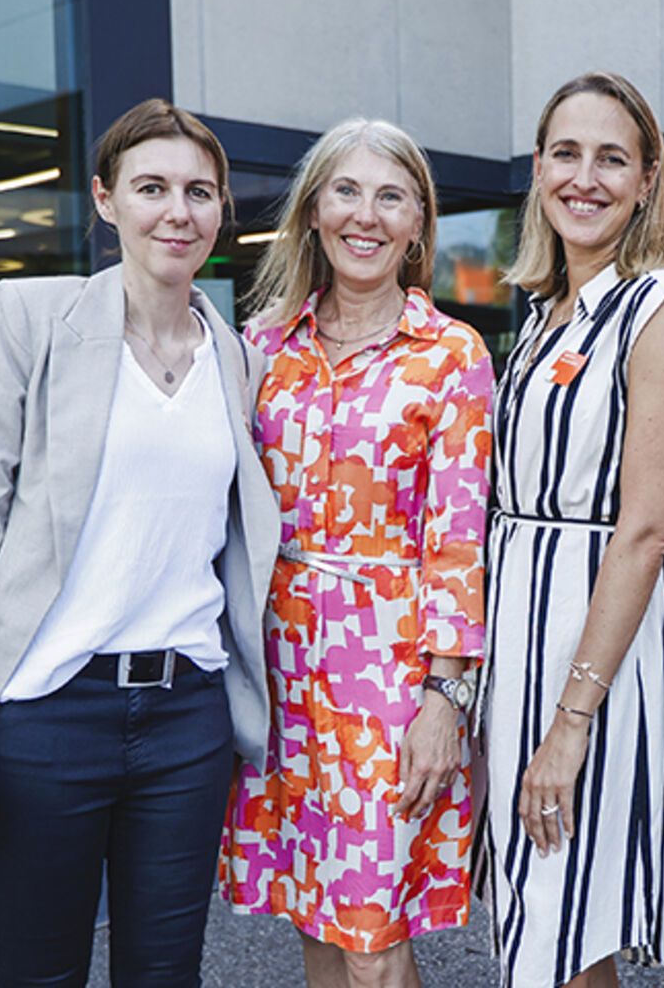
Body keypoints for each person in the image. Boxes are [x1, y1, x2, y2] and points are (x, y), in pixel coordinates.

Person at [0, 98, 278, 987]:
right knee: (42, 973)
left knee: (164, 972)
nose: (177, 211)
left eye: (199, 191)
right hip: (44, 714)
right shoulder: (28, 319)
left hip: (186, 716)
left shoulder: (236, 357)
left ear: (220, 210)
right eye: (151, 188)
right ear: (105, 201)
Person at [219, 117, 493, 988]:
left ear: (418, 224)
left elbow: (458, 538)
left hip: (389, 686)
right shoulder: (262, 346)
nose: (364, 215)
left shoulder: (451, 355)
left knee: (374, 939)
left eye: (390, 196)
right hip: (280, 675)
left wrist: (445, 698)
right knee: (315, 916)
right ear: (311, 210)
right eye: (346, 190)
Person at [475, 71, 664, 988]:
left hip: (594, 644)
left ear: (647, 179)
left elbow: (649, 529)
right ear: (537, 170)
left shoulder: (661, 309)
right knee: (534, 916)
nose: (586, 177)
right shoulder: (540, 317)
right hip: (519, 637)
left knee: (567, 930)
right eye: (566, 154)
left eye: (611, 157)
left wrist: (571, 720)